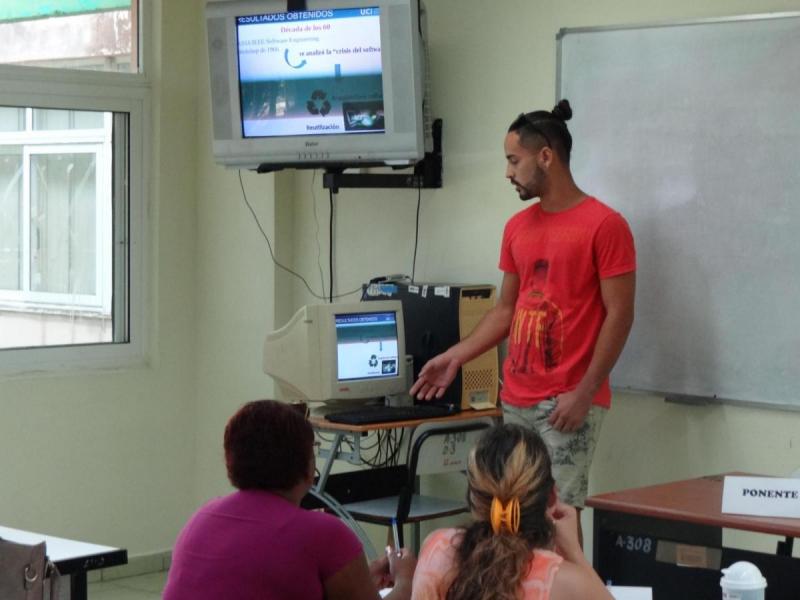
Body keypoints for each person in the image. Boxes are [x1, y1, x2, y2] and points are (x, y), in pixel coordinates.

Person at [409, 100, 636, 540]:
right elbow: (505, 311)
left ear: (545, 157)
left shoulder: (605, 225)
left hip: (567, 402)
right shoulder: (517, 226)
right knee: (506, 520)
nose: (508, 172)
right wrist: (455, 357)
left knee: (559, 521)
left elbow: (620, 315)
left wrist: (585, 392)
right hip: (516, 400)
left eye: (514, 160)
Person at [162, 399, 416, 600]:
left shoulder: (202, 519)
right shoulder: (325, 535)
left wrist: (363, 574)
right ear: (308, 467)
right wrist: (406, 580)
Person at [410, 423, 613, 600]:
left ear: (473, 499)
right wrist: (575, 552)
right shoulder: (567, 583)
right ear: (551, 498)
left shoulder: (436, 548)